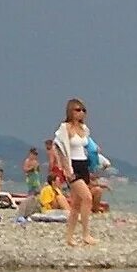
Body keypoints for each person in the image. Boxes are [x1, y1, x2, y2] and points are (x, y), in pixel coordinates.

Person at [53, 98, 100, 248]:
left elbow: (88, 148)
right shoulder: (65, 128)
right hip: (72, 167)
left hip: (83, 165)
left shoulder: (84, 129)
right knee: (87, 198)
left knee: (76, 205)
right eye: (77, 110)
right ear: (70, 111)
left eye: (83, 110)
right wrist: (66, 169)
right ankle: (86, 234)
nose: (81, 113)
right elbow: (59, 148)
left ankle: (69, 237)